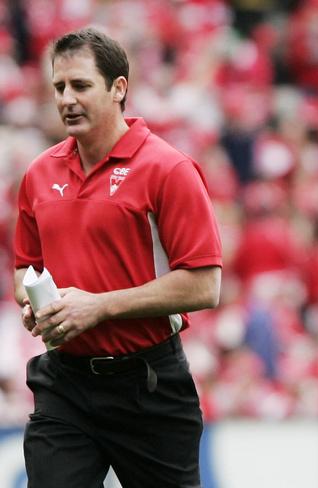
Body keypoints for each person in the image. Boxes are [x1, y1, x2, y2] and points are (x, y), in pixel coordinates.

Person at [13, 28, 222, 488]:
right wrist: (32, 303)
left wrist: (98, 305)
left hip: (148, 385)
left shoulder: (168, 169)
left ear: (119, 88)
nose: (67, 98)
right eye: (59, 87)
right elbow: (25, 266)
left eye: (81, 86)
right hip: (63, 383)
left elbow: (205, 286)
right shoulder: (39, 173)